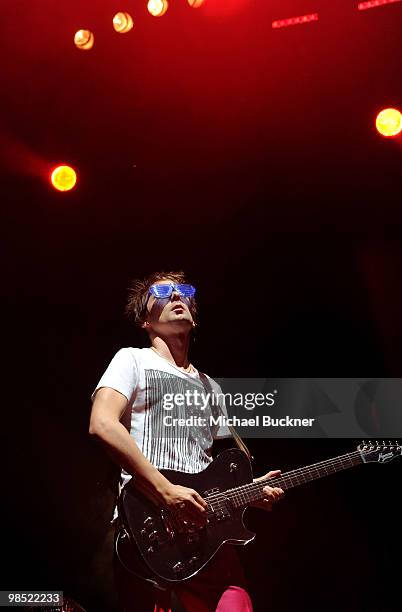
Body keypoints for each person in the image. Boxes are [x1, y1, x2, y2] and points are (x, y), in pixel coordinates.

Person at [89, 271, 284, 612]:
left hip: (206, 537)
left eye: (184, 291)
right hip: (148, 532)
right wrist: (166, 490)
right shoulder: (132, 360)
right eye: (163, 291)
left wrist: (248, 491)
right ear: (144, 320)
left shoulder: (212, 389)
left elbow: (206, 472)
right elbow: (102, 424)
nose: (177, 295)